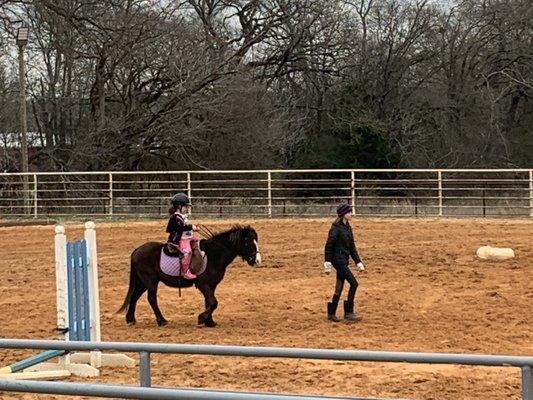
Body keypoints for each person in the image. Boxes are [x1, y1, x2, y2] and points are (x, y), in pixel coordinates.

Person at [323, 203, 366, 322]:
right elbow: (329, 246)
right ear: (343, 214)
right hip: (338, 261)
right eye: (349, 212)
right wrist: (327, 262)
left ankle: (331, 313)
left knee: (339, 287)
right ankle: (349, 312)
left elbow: (352, 247)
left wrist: (358, 262)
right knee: (354, 284)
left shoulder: (348, 227)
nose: (351, 214)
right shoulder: (335, 229)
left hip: (344, 260)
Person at [166, 192, 197, 279]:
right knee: (187, 252)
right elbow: (181, 228)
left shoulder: (181, 217)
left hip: (186, 238)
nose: (187, 208)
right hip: (178, 240)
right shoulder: (175, 217)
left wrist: (192, 228)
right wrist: (191, 227)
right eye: (185, 206)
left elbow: (184, 227)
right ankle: (186, 271)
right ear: (179, 206)